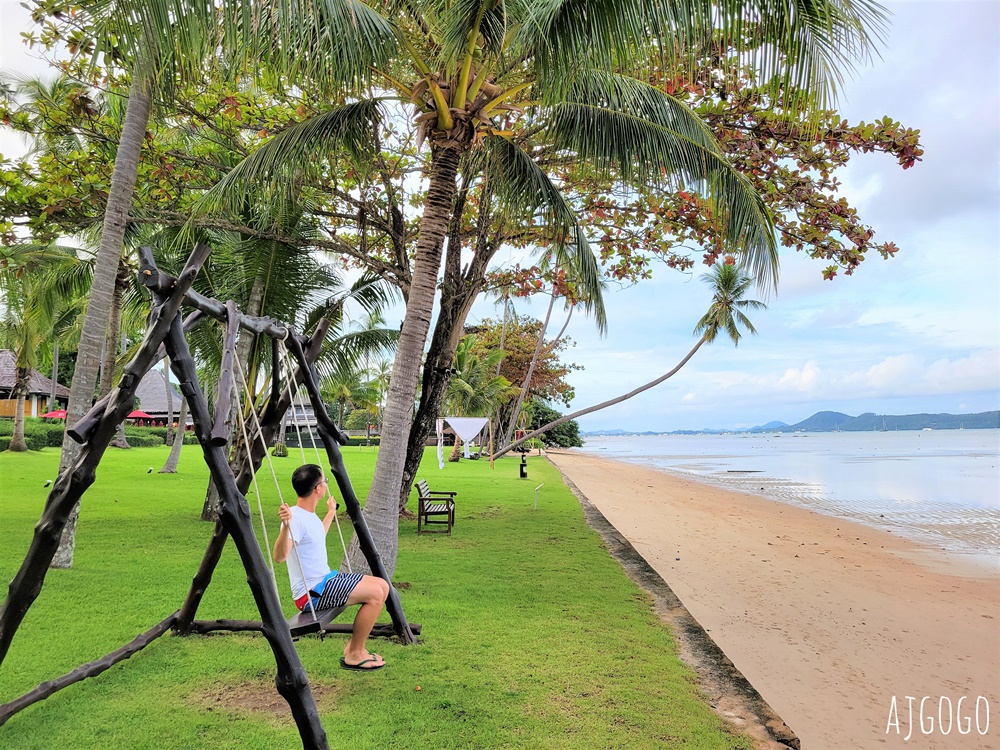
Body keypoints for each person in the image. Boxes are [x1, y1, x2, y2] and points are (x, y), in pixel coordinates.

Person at [273, 463, 390, 671]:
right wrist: (286, 527)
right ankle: (354, 653)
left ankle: (354, 648)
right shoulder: (294, 518)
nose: (325, 485)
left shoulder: (308, 515)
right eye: (324, 482)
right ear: (317, 489)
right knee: (374, 594)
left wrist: (330, 513)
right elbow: (279, 557)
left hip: (326, 580)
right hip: (311, 593)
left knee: (382, 585)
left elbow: (318, 535)